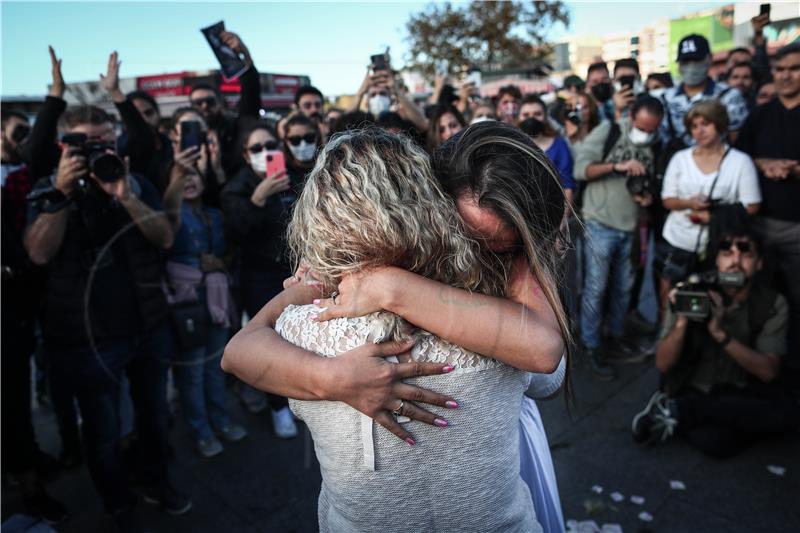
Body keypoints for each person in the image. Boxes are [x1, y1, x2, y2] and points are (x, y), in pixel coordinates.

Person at [222, 121, 570, 532]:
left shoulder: (305, 327)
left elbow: (235, 354)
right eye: (479, 244)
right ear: (430, 208)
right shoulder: (499, 325)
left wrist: (382, 288)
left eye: (505, 252)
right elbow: (549, 374)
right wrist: (333, 376)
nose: (485, 258)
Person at [24, 104, 190, 532]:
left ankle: (157, 481)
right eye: (85, 142)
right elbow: (38, 253)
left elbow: (165, 237)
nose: (98, 149)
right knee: (103, 430)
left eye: (104, 140)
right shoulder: (46, 187)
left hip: (147, 328)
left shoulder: (133, 182)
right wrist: (61, 193)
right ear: (63, 145)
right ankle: (117, 500)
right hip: (86, 339)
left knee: (154, 417)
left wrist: (127, 196)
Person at [632, 229, 800, 457]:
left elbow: (768, 372)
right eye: (727, 252)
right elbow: (662, 364)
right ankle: (695, 410)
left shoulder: (772, 301)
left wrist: (720, 333)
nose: (736, 261)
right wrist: (682, 322)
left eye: (745, 253)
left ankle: (682, 411)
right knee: (715, 442)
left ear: (759, 263)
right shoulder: (693, 291)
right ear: (716, 259)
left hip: (740, 390)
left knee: (788, 410)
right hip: (697, 386)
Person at [2, 108, 68, 525]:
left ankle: (27, 475)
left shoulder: (16, 181)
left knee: (14, 404)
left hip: (15, 314)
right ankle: (26, 483)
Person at [162, 140, 247, 458]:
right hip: (185, 302)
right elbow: (165, 237)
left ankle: (221, 421)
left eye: (194, 173)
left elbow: (231, 250)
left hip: (217, 300)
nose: (189, 180)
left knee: (214, 367)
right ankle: (200, 430)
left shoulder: (215, 213)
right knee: (192, 372)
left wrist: (220, 263)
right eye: (181, 175)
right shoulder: (170, 215)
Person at [574, 96, 665, 379]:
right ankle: (592, 344)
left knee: (623, 288)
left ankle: (615, 336)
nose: (647, 134)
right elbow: (581, 170)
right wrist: (618, 166)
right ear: (631, 117)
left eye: (653, 129)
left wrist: (646, 196)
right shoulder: (609, 130)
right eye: (642, 128)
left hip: (632, 225)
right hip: (600, 221)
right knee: (596, 287)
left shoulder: (658, 143)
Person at [220, 121, 299, 437]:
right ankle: (278, 407)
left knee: (299, 336)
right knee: (269, 341)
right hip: (258, 275)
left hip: (295, 269)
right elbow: (238, 232)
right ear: (245, 154)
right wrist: (257, 198)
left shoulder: (293, 177)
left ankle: (300, 399)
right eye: (257, 148)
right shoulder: (236, 188)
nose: (266, 153)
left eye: (271, 146)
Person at [656, 100, 761, 315]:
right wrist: (689, 203)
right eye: (694, 126)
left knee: (716, 301)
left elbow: (752, 205)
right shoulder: (680, 159)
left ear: (720, 125)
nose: (699, 131)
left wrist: (711, 216)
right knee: (671, 297)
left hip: (718, 245)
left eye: (706, 123)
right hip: (678, 240)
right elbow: (668, 199)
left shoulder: (740, 162)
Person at [735, 43, 800, 383]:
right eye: (781, 68)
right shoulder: (761, 114)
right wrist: (766, 165)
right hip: (760, 226)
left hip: (796, 228)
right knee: (758, 300)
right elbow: (742, 157)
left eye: (794, 68)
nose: (786, 75)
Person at [188, 30, 261, 178]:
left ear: (220, 103)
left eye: (210, 101)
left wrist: (244, 56)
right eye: (198, 103)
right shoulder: (187, 137)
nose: (204, 106)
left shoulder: (236, 127)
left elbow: (250, 93)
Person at [659, 34, 749, 149]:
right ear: (679, 65)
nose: (691, 67)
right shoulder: (665, 98)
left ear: (709, 59)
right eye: (686, 61)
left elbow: (737, 139)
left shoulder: (730, 96)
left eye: (697, 60)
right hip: (677, 163)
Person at [518, 95, 576, 204]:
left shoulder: (559, 145)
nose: (531, 118)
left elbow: (567, 186)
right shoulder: (511, 146)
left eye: (537, 114)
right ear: (519, 117)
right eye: (526, 115)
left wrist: (563, 219)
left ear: (545, 117)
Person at [282, 114, 321, 185]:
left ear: (317, 137)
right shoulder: (283, 174)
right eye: (295, 140)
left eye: (309, 137)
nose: (303, 144)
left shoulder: (329, 166)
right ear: (287, 141)